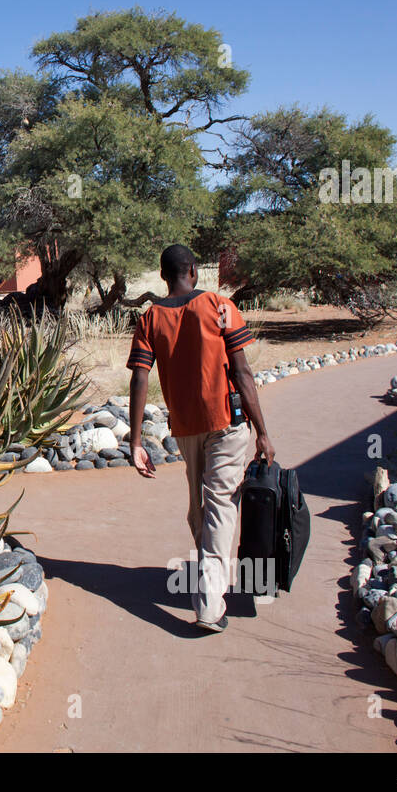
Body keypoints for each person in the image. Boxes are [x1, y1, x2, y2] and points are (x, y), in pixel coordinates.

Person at [127, 244, 274, 633]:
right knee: (218, 506)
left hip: (186, 428)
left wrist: (137, 441)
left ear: (163, 275)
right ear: (193, 270)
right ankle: (210, 602)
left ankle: (209, 584)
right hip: (226, 421)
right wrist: (263, 432)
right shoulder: (220, 307)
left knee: (203, 507)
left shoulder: (150, 318)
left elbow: (139, 377)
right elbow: (242, 374)